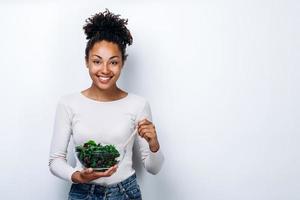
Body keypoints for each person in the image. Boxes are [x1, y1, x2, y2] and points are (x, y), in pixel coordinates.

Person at [48, 9, 164, 200]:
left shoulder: (138, 104)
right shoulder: (68, 103)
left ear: (122, 64)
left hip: (125, 193)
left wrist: (154, 143)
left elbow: (154, 168)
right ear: (87, 61)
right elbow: (55, 161)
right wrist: (77, 176)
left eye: (113, 62)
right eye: (97, 61)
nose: (104, 70)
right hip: (82, 193)